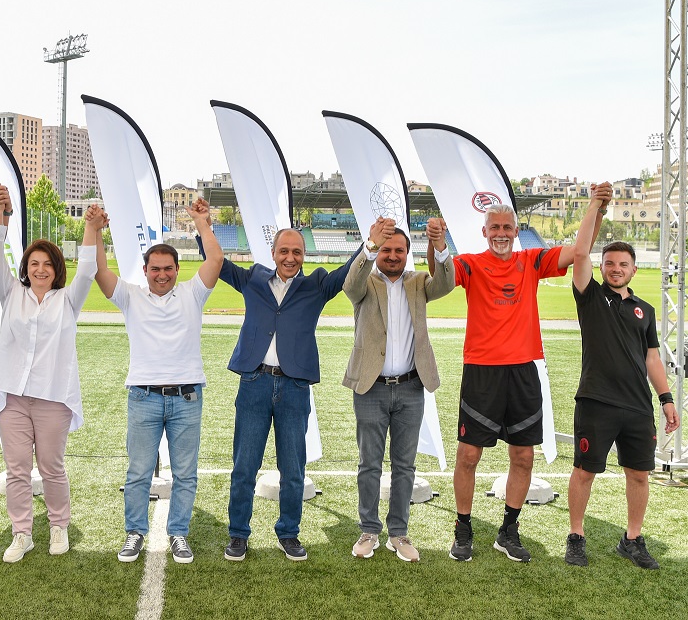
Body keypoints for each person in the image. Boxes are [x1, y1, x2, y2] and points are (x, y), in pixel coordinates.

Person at [436, 195, 607, 563]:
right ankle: (463, 528)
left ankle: (508, 530)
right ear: (484, 232)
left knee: (524, 456)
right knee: (468, 455)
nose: (501, 233)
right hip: (481, 371)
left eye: (507, 228)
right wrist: (437, 245)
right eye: (494, 227)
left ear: (517, 232)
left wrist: (595, 208)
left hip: (523, 371)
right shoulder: (470, 263)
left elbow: (579, 251)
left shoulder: (531, 261)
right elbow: (442, 280)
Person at [92, 198, 223, 565]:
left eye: (167, 269)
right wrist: (96, 231)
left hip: (187, 397)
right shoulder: (131, 296)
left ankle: (178, 533)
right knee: (138, 472)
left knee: (185, 474)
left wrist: (202, 222)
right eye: (155, 269)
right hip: (143, 397)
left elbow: (215, 260)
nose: (161, 275)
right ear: (145, 270)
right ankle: (135, 532)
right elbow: (99, 271)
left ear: (178, 269)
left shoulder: (193, 293)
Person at [222, 228, 358, 562]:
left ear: (304, 255)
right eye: (284, 251)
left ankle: (288, 533)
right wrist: (201, 226)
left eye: (297, 252)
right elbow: (218, 263)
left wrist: (371, 244)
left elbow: (348, 272)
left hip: (294, 388)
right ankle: (238, 533)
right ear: (273, 253)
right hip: (254, 383)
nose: (290, 257)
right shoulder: (253, 279)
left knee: (293, 469)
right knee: (244, 466)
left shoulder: (317, 285)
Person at [565, 184, 680, 569]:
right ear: (602, 268)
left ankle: (632, 539)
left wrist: (666, 399)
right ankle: (576, 536)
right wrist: (596, 205)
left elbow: (652, 358)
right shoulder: (590, 296)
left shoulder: (644, 310)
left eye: (623, 264)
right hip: (596, 402)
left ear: (633, 269)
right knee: (585, 472)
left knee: (639, 475)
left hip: (637, 407)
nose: (616, 268)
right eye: (610, 263)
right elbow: (580, 252)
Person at [0, 185, 100, 563]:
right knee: (17, 470)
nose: (40, 269)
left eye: (47, 264)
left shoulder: (68, 299)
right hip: (12, 398)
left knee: (52, 468)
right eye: (34, 263)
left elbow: (88, 269)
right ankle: (22, 533)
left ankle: (58, 525)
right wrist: (2, 212)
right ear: (25, 268)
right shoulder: (10, 293)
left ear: (56, 270)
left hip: (54, 398)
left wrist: (91, 227)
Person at [344, 217, 455, 563]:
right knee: (369, 465)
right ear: (378, 251)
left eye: (399, 250)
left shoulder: (419, 282)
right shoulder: (365, 282)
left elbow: (446, 283)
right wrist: (370, 245)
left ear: (408, 254)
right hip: (370, 387)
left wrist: (439, 245)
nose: (392, 256)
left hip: (410, 388)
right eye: (386, 250)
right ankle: (368, 530)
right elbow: (350, 285)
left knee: (405, 466)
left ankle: (399, 533)